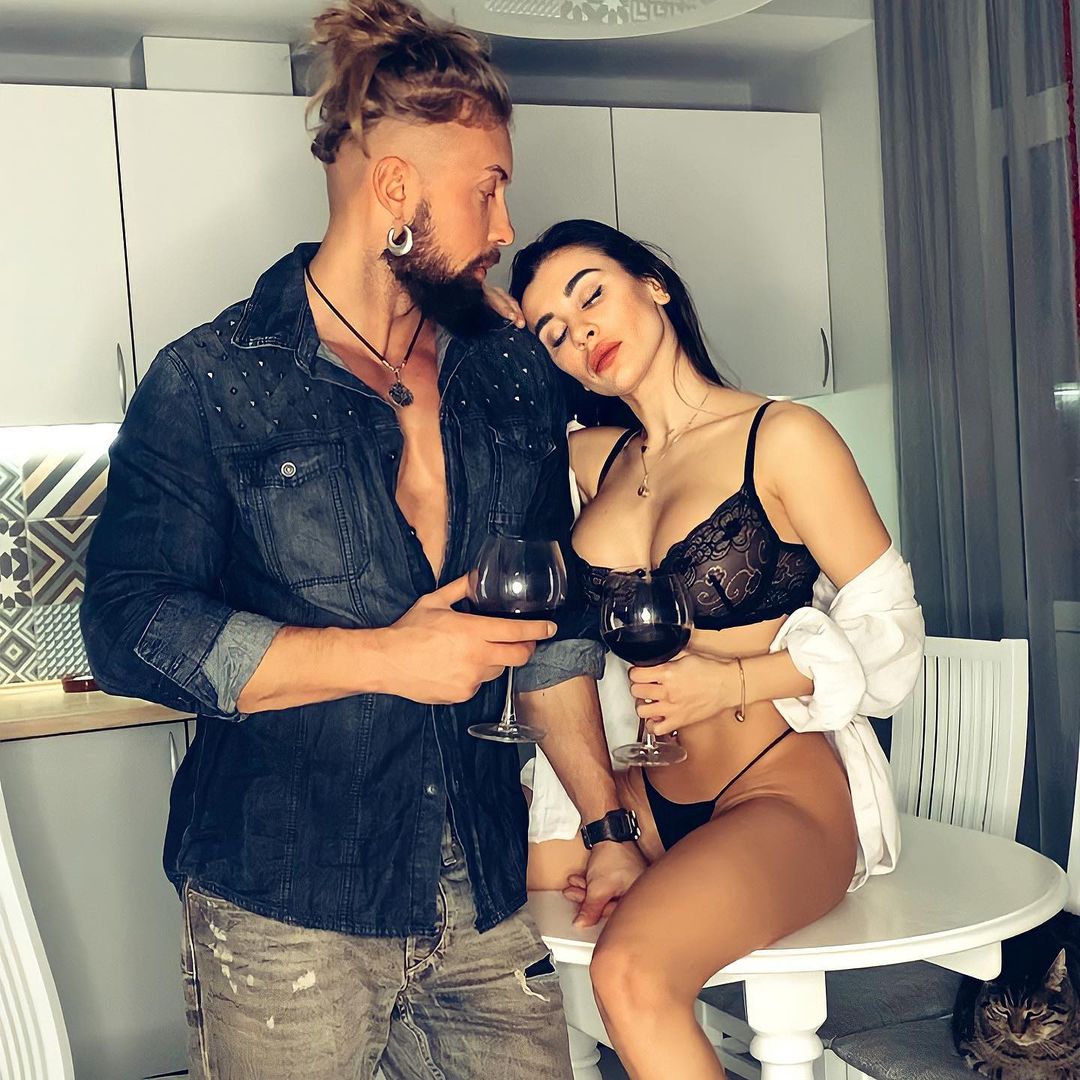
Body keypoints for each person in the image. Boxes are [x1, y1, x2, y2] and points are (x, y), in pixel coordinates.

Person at [80, 11, 644, 1079]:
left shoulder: (507, 373)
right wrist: (388, 657)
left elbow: (555, 630)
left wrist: (609, 826)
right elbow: (126, 624)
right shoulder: (213, 379)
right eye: (486, 190)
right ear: (393, 189)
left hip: (485, 888)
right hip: (286, 906)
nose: (504, 225)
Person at [508, 219, 925, 1079]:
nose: (581, 333)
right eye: (553, 332)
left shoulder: (783, 437)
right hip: (646, 794)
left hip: (777, 789)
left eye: (591, 295)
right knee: (492, 923)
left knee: (629, 972)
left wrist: (731, 682)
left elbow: (892, 636)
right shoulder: (592, 462)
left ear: (653, 283)